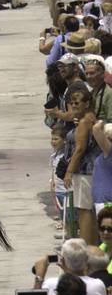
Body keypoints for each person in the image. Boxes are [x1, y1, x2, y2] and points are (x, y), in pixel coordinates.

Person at [62, 82, 100, 244]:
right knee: (88, 210)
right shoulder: (88, 117)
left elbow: (79, 149)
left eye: (77, 102)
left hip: (85, 170)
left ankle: (87, 248)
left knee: (84, 211)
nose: (73, 105)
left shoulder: (85, 121)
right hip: (91, 170)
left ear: (87, 103)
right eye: (71, 102)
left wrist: (69, 171)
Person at [36, 239, 109, 295]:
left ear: (62, 261)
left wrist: (39, 276)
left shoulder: (51, 284)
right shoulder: (98, 284)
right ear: (86, 260)